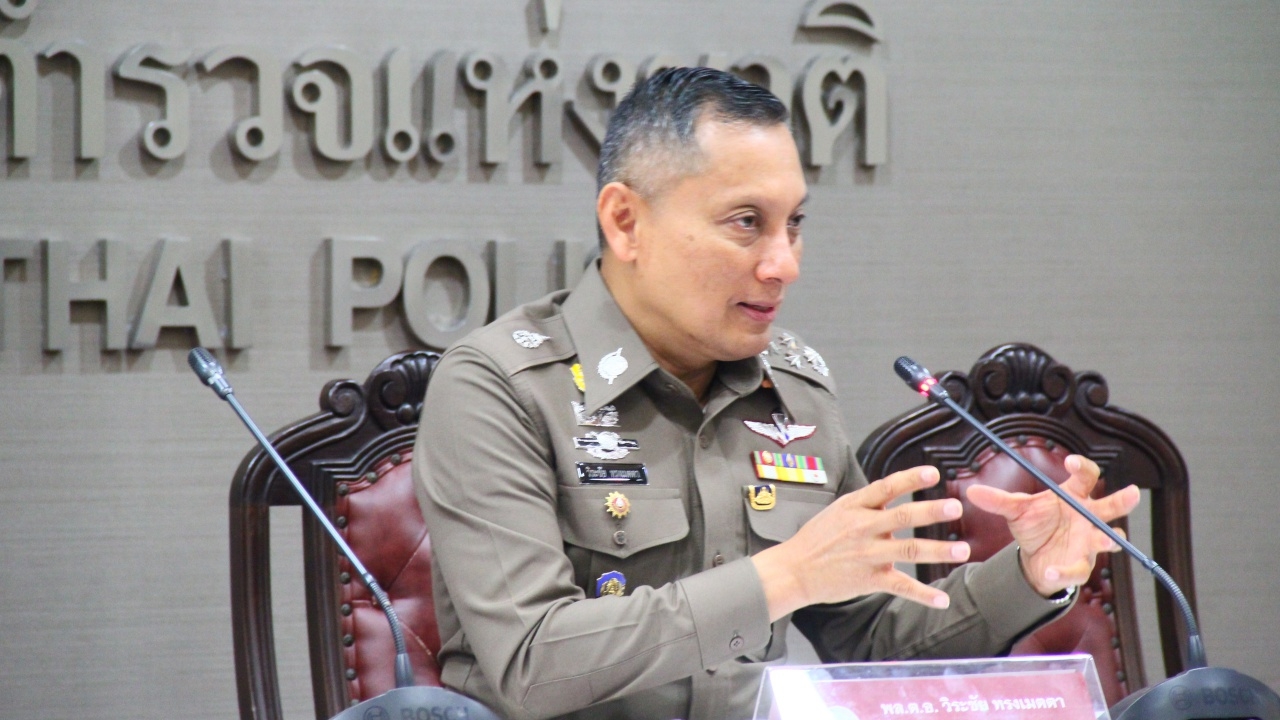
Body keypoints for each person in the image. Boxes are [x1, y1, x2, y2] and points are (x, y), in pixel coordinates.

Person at [412, 67, 1139, 720]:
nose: (783, 264)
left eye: (794, 224)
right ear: (626, 222)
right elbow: (532, 663)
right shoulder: (498, 387)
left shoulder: (794, 390)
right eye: (746, 223)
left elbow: (873, 645)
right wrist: (779, 578)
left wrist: (1029, 575)